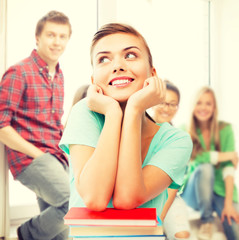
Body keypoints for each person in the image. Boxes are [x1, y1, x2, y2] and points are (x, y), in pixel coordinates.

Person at [59, 23, 192, 220]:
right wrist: (113, 113)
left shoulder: (176, 141)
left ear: (152, 74)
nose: (118, 66)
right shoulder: (84, 114)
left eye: (130, 55)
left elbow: (126, 199)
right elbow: (94, 198)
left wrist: (134, 109)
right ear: (94, 79)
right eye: (104, 59)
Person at [0, 10, 71, 240]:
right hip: (31, 158)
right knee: (72, 204)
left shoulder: (59, 76)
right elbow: (2, 126)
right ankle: (26, 234)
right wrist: (39, 155)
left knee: (60, 230)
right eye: (51, 35)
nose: (57, 41)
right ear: (37, 38)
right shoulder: (18, 72)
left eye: (62, 36)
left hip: (57, 156)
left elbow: (54, 124)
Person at [181, 86, 239, 240]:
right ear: (193, 106)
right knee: (205, 168)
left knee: (235, 227)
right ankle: (207, 221)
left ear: (214, 108)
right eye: (199, 103)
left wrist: (228, 204)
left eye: (208, 103)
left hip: (219, 191)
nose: (203, 108)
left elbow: (229, 168)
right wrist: (223, 155)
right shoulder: (184, 130)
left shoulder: (225, 129)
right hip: (193, 192)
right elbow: (194, 158)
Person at [152, 80, 192, 240]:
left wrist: (158, 219)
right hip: (142, 196)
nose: (166, 108)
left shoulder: (180, 140)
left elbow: (173, 187)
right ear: (153, 102)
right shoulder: (138, 128)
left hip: (169, 196)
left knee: (181, 235)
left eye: (172, 104)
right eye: (162, 102)